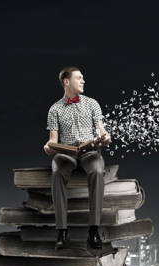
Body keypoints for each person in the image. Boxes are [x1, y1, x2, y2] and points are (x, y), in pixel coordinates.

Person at [43, 66, 112, 250]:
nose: (83, 81)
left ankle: (93, 231)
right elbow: (53, 140)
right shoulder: (54, 109)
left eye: (83, 78)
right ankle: (62, 231)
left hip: (90, 151)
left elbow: (101, 130)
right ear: (67, 82)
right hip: (66, 153)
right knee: (57, 172)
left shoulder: (92, 104)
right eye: (79, 78)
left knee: (97, 171)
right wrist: (49, 147)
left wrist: (105, 137)